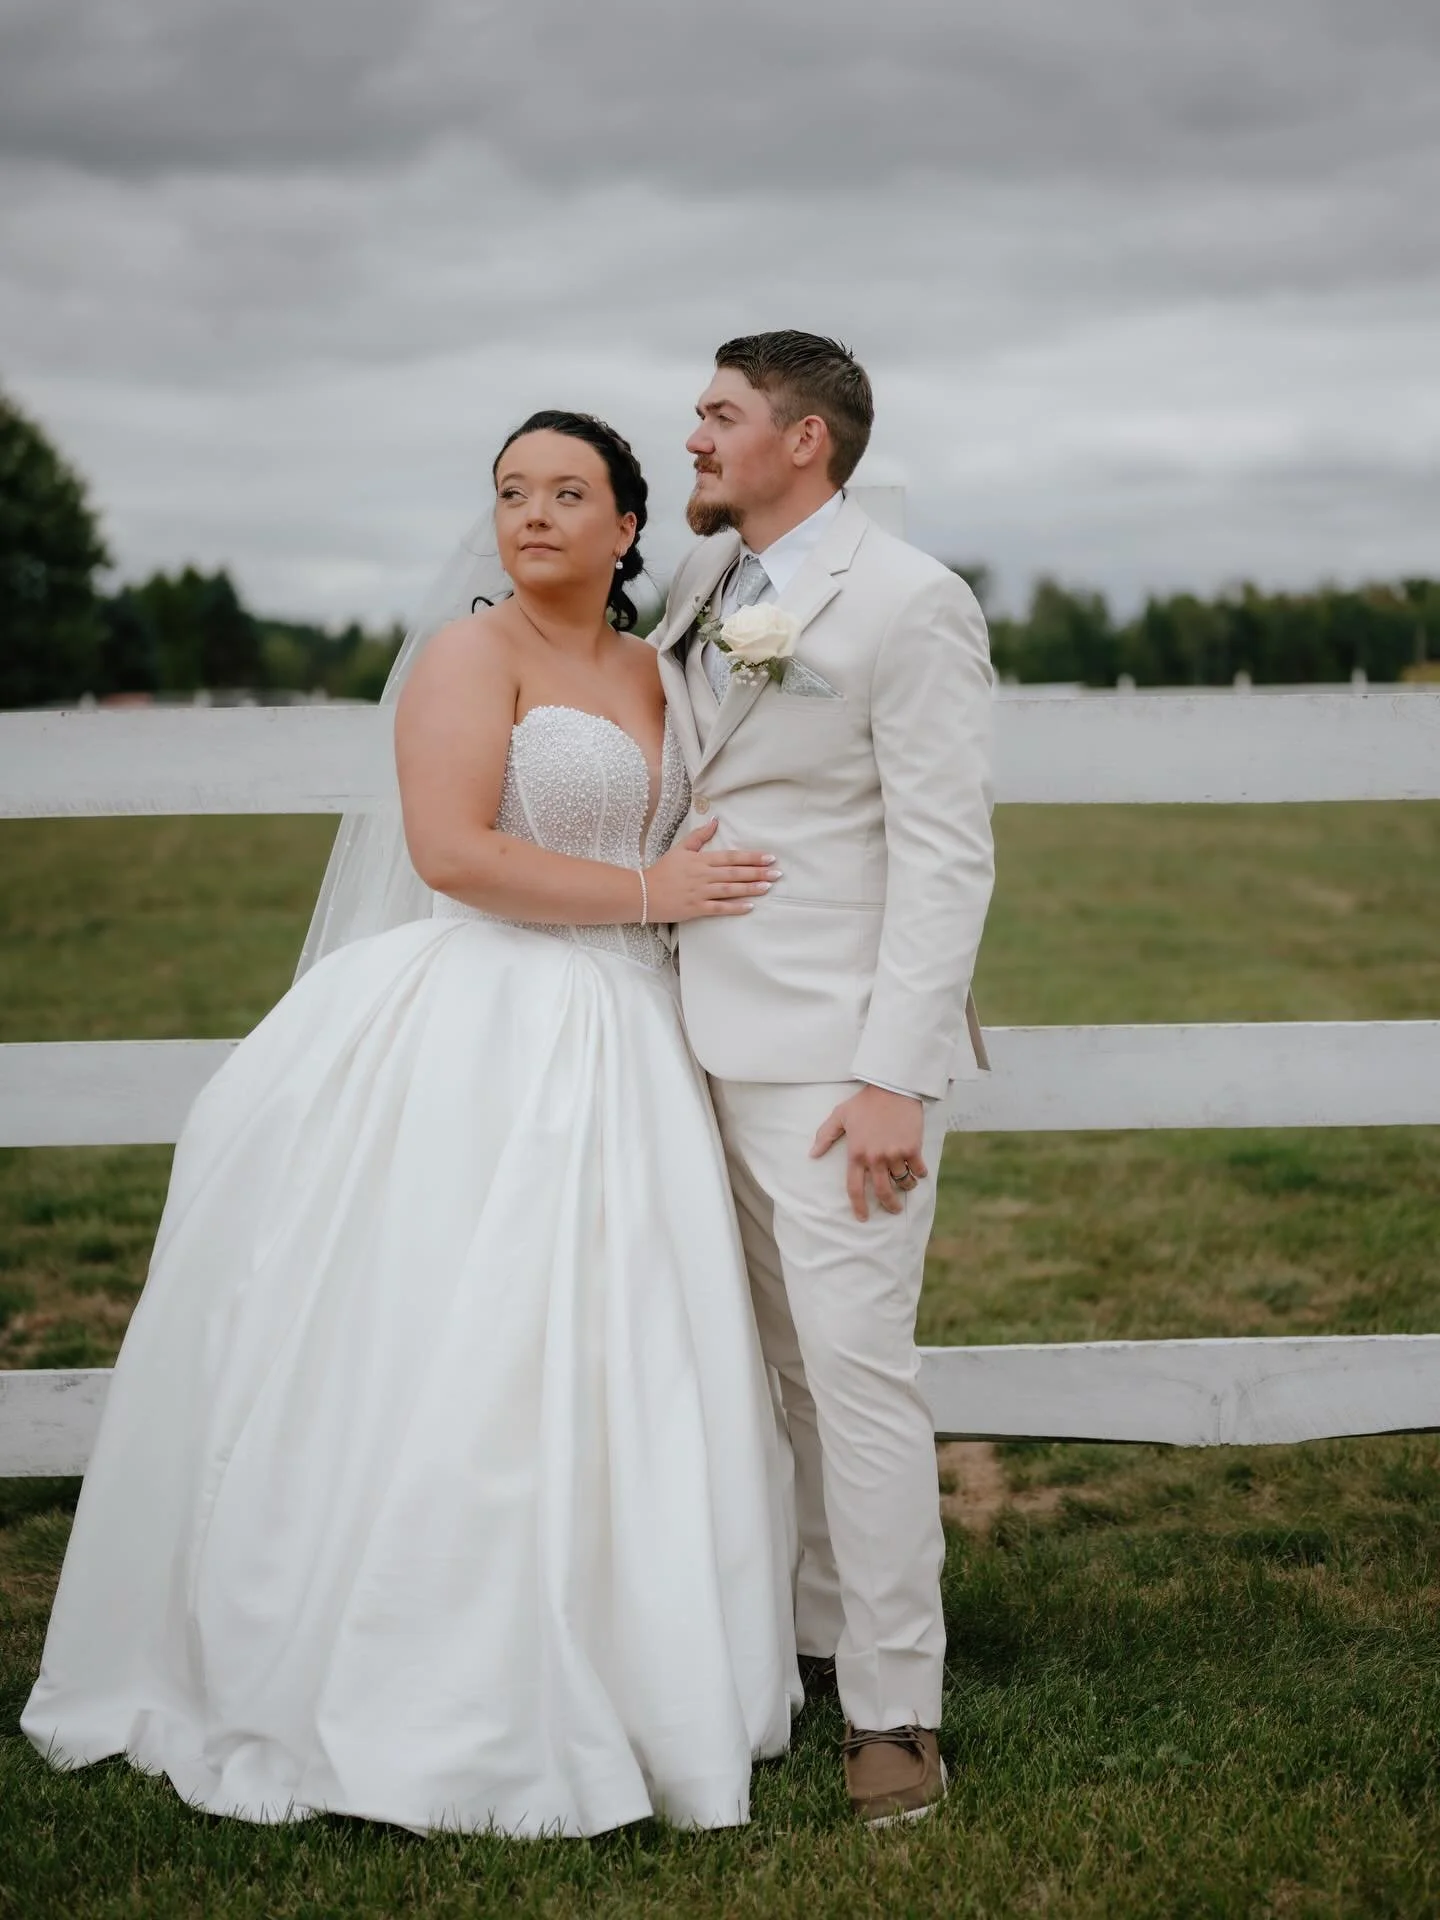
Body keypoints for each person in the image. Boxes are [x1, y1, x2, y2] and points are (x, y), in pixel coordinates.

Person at [22, 410, 799, 1838]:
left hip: (631, 1037)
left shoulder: (660, 668)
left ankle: (630, 1668)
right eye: (512, 493)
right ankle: (416, 1673)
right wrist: (649, 898)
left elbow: (683, 822)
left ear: (630, 525)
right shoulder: (467, 655)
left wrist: (686, 878)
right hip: (484, 1023)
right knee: (461, 1337)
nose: (535, 515)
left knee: (624, 1346)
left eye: (570, 493)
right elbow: (455, 854)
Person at [653, 333, 995, 1826]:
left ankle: (895, 1713)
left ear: (806, 440)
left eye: (719, 416)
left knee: (856, 1381)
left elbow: (944, 851)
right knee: (773, 1374)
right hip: (694, 1045)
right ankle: (803, 1643)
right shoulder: (700, 590)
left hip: (840, 1069)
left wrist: (896, 1078)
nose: (694, 439)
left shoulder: (912, 603)